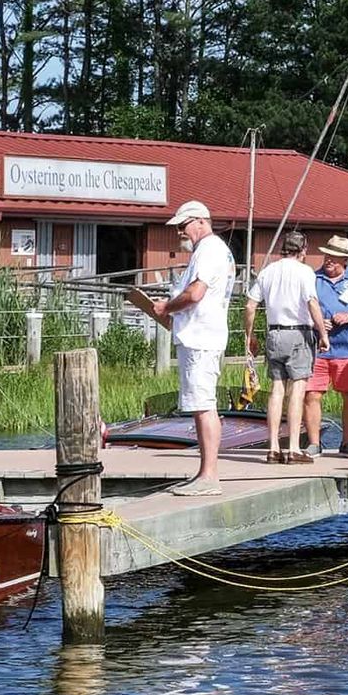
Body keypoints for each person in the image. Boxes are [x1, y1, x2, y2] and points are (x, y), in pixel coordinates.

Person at [152, 200, 236, 496]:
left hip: (202, 338)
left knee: (204, 405)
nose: (179, 232)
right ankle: (204, 472)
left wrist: (166, 307)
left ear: (201, 221)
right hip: (201, 337)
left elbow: (195, 293)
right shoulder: (213, 250)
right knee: (201, 405)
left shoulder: (210, 250)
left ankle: (210, 475)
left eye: (183, 225)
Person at [244, 231, 329, 464]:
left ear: (283, 248)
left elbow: (250, 306)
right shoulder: (305, 272)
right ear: (303, 250)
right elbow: (312, 303)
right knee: (298, 390)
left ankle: (272, 447)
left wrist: (249, 336)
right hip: (298, 333)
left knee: (277, 390)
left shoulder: (267, 271)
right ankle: (292, 448)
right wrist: (323, 334)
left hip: (274, 333)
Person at [304, 233, 348, 457]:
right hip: (317, 348)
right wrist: (316, 322)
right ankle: (314, 443)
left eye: (335, 257)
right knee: (311, 394)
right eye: (327, 255)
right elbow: (301, 308)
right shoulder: (312, 279)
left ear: (346, 260)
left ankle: (347, 443)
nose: (329, 260)